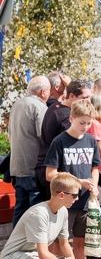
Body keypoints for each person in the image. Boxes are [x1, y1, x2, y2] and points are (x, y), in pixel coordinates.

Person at [45, 100, 101, 259]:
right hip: (63, 201)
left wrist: (93, 185)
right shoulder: (59, 141)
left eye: (89, 123)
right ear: (71, 119)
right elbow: (50, 174)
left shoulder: (91, 140)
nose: (85, 127)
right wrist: (78, 182)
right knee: (57, 244)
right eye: (82, 122)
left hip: (84, 201)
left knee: (80, 244)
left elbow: (95, 168)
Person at [0, 173, 80, 259]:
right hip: (13, 256)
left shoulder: (63, 211)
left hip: (33, 255)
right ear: (61, 195)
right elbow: (43, 254)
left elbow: (64, 244)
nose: (77, 198)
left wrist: (71, 257)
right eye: (74, 195)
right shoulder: (39, 214)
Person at [35, 79, 92, 201]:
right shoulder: (66, 117)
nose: (88, 101)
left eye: (89, 97)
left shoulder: (54, 107)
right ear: (72, 96)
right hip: (55, 173)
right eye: (85, 97)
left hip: (45, 169)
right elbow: (73, 146)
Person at [9, 75, 51, 228]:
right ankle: (32, 246)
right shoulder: (39, 106)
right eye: (48, 90)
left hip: (18, 166)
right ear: (42, 92)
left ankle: (14, 245)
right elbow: (44, 137)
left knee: (20, 208)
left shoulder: (17, 104)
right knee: (35, 209)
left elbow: (10, 135)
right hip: (33, 166)